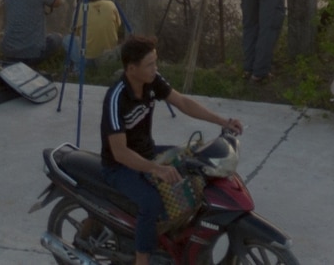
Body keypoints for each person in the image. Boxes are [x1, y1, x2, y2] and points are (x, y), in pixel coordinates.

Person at [100, 35, 243, 265]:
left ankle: (178, 234)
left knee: (197, 166)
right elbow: (120, 152)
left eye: (155, 62)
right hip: (119, 166)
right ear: (131, 68)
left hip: (148, 152)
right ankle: (142, 259)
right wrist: (156, 169)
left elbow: (183, 103)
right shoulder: (117, 98)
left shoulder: (151, 81)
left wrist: (222, 121)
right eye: (150, 64)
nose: (155, 68)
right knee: (151, 202)